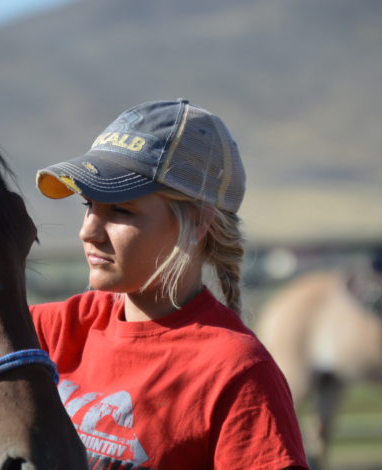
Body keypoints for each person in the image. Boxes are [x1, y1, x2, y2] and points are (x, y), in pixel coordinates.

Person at [31, 99, 308, 470]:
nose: (88, 231)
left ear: (197, 224)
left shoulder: (236, 373)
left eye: (121, 210)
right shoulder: (48, 332)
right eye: (89, 205)